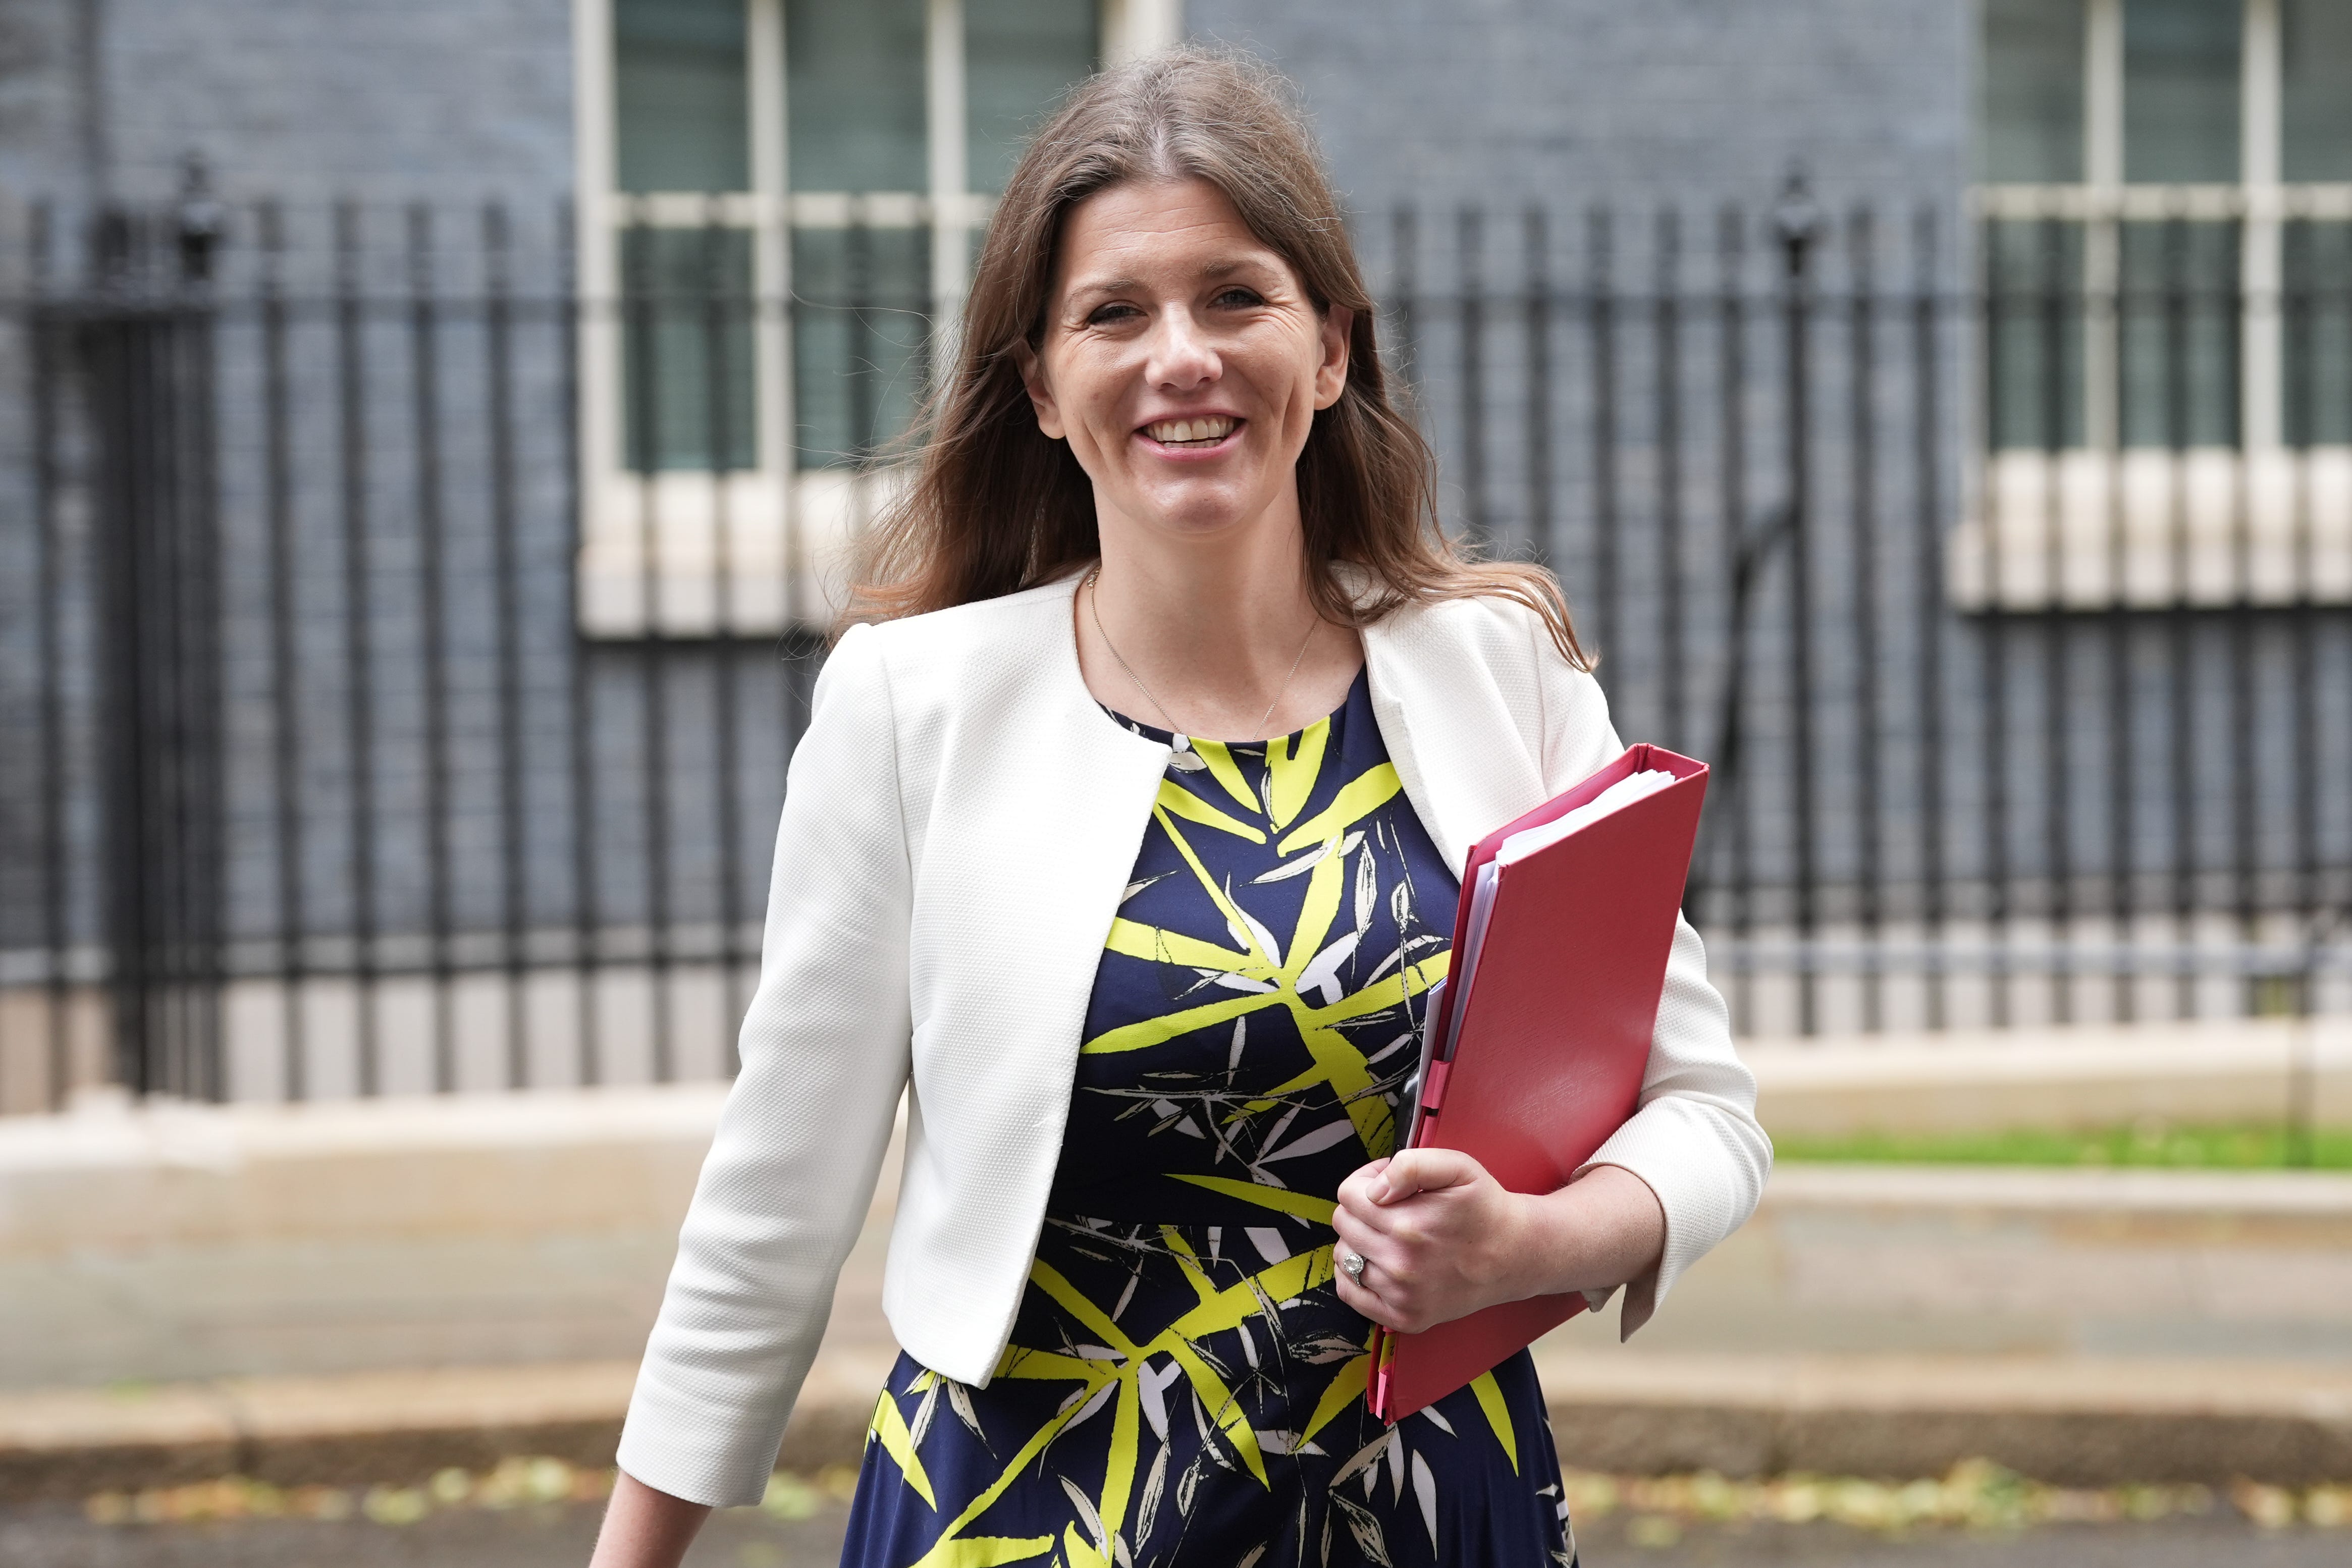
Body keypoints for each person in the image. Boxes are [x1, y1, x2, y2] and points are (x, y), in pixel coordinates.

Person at [591, 47, 1769, 1568]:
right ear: (1038, 385)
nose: (1181, 355)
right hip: (1025, 1519)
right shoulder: (910, 708)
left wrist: (1531, 1246)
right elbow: (771, 1209)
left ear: (1331, 347)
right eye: (1113, 312)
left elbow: (1706, 1117)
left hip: (1416, 1516)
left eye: (1235, 296)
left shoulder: (1504, 673)